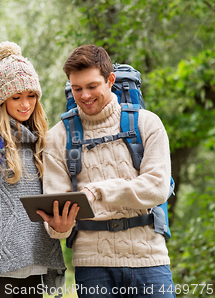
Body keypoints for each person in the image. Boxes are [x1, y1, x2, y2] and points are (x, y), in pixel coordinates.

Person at [39, 44, 175, 297]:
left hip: (150, 260)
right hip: (92, 266)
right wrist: (58, 226)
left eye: (92, 86)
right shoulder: (57, 138)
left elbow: (158, 188)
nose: (85, 96)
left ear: (110, 80)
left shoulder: (147, 123)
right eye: (77, 88)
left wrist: (97, 191)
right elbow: (56, 215)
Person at [0, 41, 66, 298]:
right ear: (2, 98)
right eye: (16, 97)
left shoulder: (41, 138)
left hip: (36, 270)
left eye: (31, 96)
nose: (25, 104)